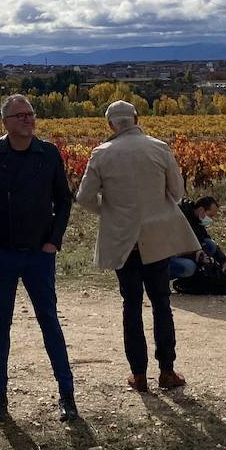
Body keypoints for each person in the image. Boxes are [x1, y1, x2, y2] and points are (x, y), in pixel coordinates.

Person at [74, 100, 198, 393]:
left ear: (110, 125)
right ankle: (167, 371)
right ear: (136, 118)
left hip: (123, 242)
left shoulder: (101, 154)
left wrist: (110, 211)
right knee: (161, 304)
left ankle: (138, 375)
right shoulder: (159, 147)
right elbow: (177, 192)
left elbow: (84, 198)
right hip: (157, 240)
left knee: (131, 306)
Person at [0, 95, 77, 425]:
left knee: (49, 321)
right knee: (0, 325)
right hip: (2, 255)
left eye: (30, 114)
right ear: (5, 122)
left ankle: (67, 396)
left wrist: (53, 242)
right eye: (19, 116)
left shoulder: (48, 154)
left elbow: (64, 201)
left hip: (38, 254)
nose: (27, 120)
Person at [168, 196, 226, 280]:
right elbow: (174, 247)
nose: (211, 219)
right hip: (167, 256)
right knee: (189, 267)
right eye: (210, 215)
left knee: (210, 245)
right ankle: (160, 277)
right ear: (202, 210)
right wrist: (196, 254)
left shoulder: (196, 219)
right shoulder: (180, 216)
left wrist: (224, 262)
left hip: (185, 252)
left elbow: (205, 238)